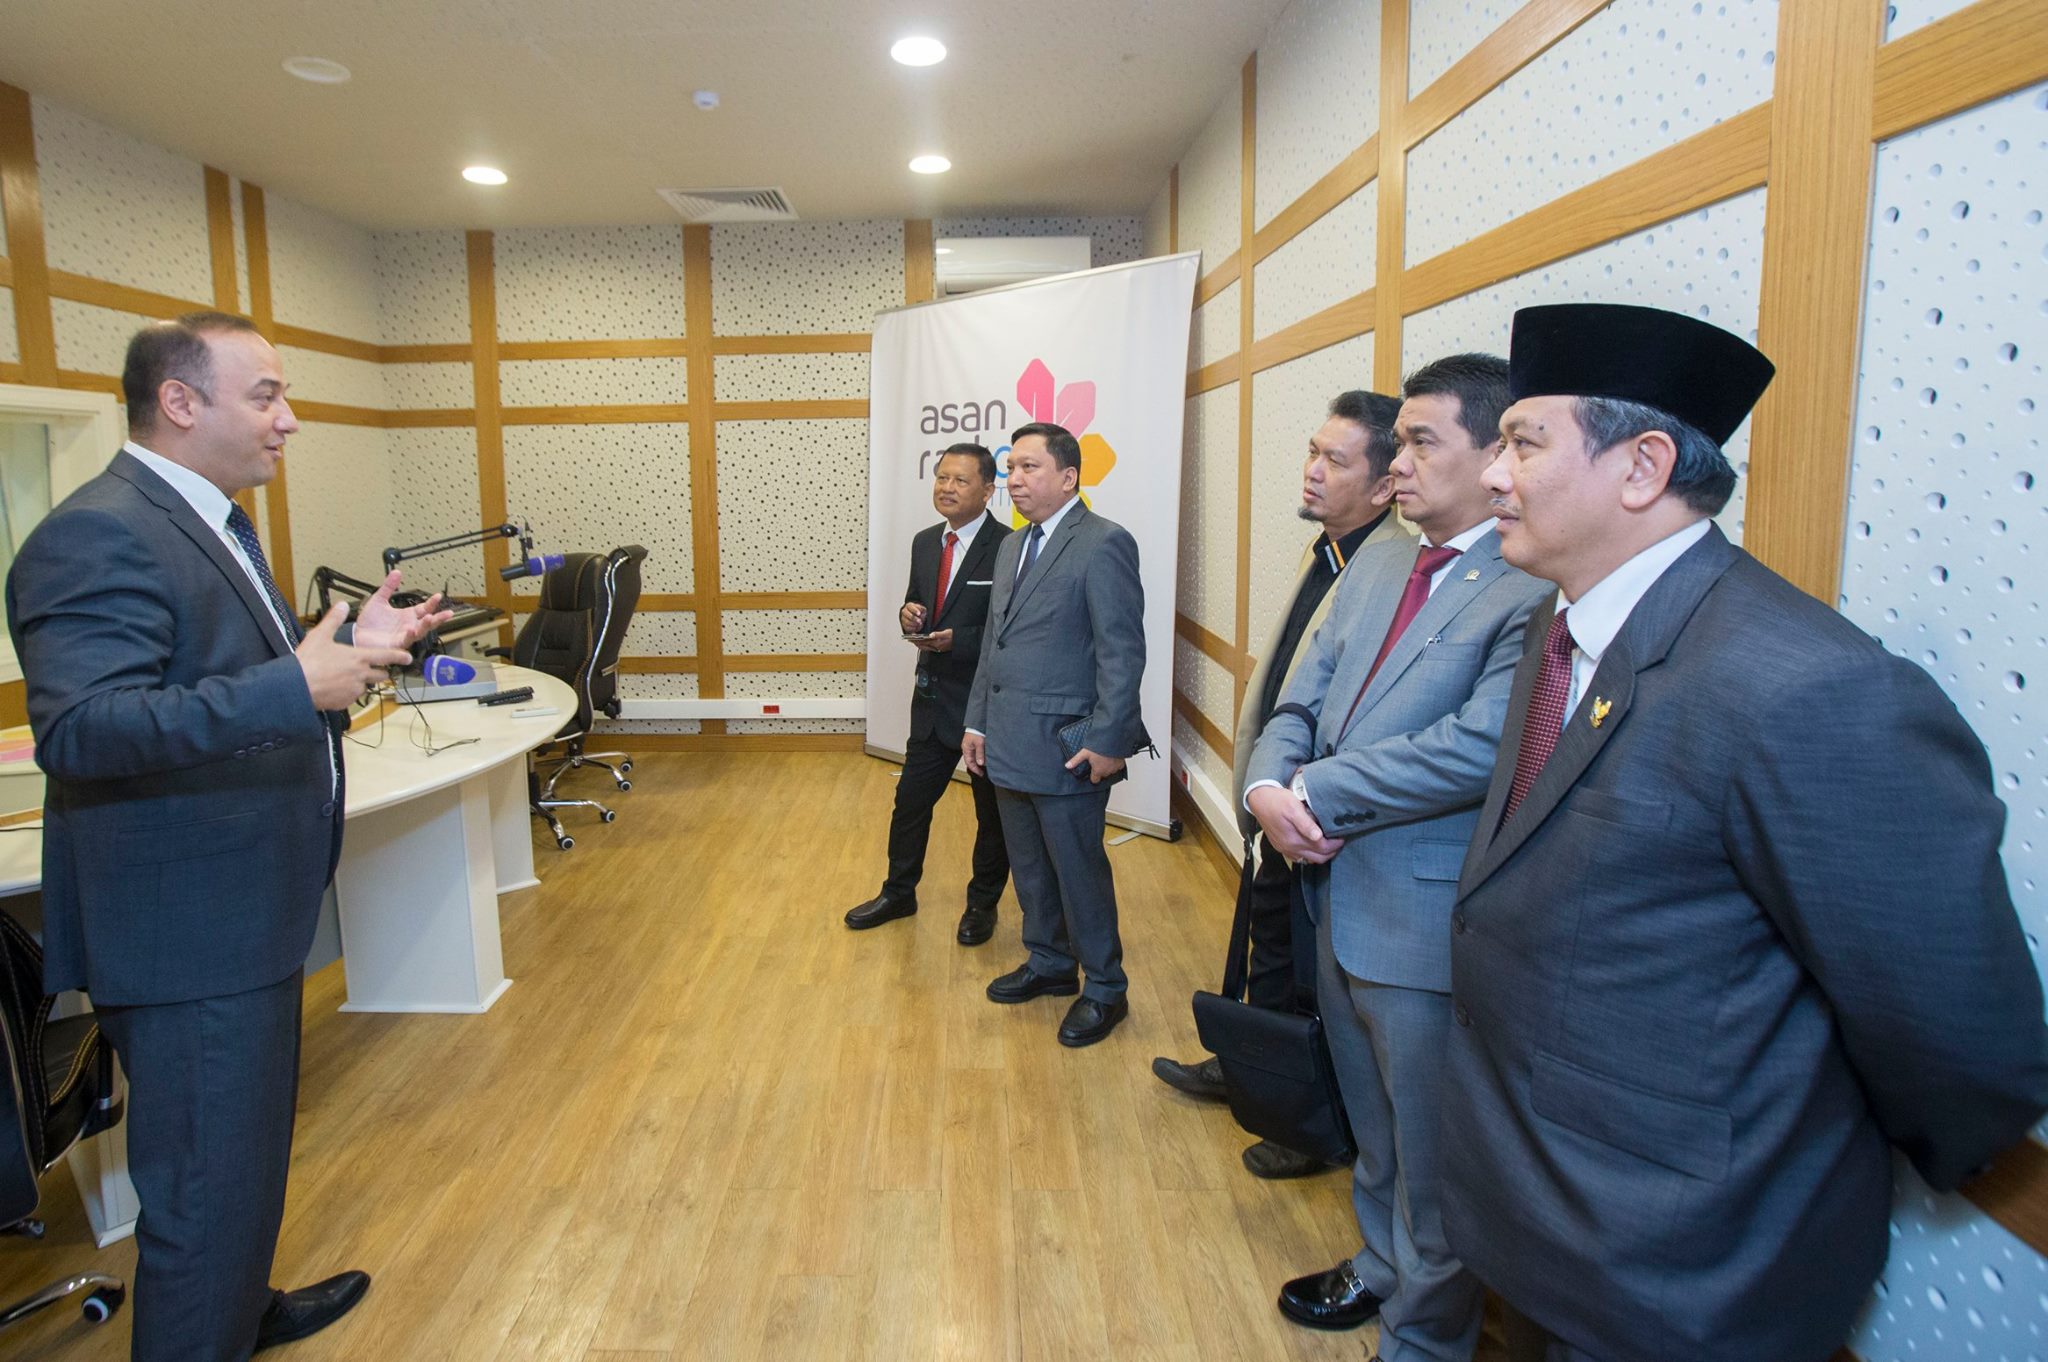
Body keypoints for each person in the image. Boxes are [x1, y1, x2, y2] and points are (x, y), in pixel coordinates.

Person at [1440, 303, 2048, 1362]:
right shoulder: (1562, 622)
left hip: (1681, 1268)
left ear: (1641, 468)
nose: (1492, 474)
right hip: (1535, 1216)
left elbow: (1953, 1027)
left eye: (1522, 443)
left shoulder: (1808, 690)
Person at [5, 312, 451, 1361]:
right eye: (266, 396)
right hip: (186, 933)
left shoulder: (209, 523)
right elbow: (81, 731)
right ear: (179, 400)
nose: (288, 420)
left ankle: (239, 1308)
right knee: (205, 1188)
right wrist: (293, 683)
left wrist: (347, 658)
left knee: (237, 1168)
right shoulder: (100, 530)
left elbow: (225, 685)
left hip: (238, 917)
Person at [1243, 355, 1547, 1359]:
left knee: (1430, 1148)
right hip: (1332, 889)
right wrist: (1266, 786)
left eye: (1420, 443)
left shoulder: (1530, 584)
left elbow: (1479, 745)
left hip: (1423, 915)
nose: (1397, 466)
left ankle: (1426, 1337)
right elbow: (1300, 690)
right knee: (1374, 1123)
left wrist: (1315, 793)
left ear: (1493, 454)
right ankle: (1380, 1266)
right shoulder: (1379, 561)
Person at [1151, 389, 1411, 1180]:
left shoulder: (1392, 566)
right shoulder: (1325, 550)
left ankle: (1305, 1121)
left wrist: (1298, 791)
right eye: (1312, 451)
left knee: (1308, 975)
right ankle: (1251, 1068)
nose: (1311, 471)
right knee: (1267, 945)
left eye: (1335, 460)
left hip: (1321, 809)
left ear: (1385, 484)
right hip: (1277, 788)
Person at [962, 422, 1146, 1047]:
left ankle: (1106, 988)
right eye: (1010, 468)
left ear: (1068, 477)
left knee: (1078, 871)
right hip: (1007, 739)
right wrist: (977, 720)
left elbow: (1122, 653)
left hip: (1068, 745)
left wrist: (1111, 739)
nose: (1013, 479)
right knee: (1030, 867)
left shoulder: (1104, 543)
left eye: (1028, 468)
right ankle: (1048, 962)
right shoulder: (1013, 545)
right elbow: (995, 642)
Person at [843, 442, 1012, 943]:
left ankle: (981, 906)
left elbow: (1011, 632)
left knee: (992, 817)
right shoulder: (924, 542)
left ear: (988, 489)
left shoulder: (1008, 546)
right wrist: (908, 615)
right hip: (932, 701)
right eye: (941, 478)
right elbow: (918, 601)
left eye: (960, 480)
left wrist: (960, 641)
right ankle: (899, 893)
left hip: (985, 708)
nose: (947, 488)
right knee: (910, 803)